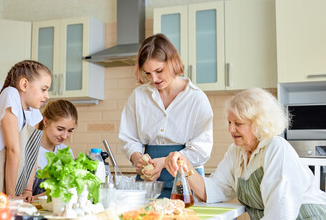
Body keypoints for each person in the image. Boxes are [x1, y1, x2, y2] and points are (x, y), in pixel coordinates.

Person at [165, 88, 326, 219]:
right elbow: (212, 190)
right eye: (229, 122)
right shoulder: (236, 151)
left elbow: (282, 211)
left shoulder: (276, 148)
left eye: (238, 123)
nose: (230, 129)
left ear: (259, 124)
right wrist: (186, 167)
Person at [119, 33, 213, 198]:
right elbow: (129, 138)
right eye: (148, 73)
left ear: (173, 61)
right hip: (148, 184)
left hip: (186, 180)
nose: (154, 79)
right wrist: (137, 158)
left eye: (159, 71)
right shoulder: (138, 96)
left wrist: (165, 162)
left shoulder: (196, 98)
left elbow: (202, 149)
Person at [0, 60, 52, 202]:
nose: (47, 96)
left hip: (16, 186)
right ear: (24, 85)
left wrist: (28, 190)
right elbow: (13, 149)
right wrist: (10, 195)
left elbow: (32, 154)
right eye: (43, 89)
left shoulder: (33, 111)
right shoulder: (10, 94)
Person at [32, 99, 77, 196]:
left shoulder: (66, 151)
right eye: (60, 129)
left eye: (70, 131)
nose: (64, 136)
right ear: (45, 122)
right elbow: (23, 198)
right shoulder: (30, 150)